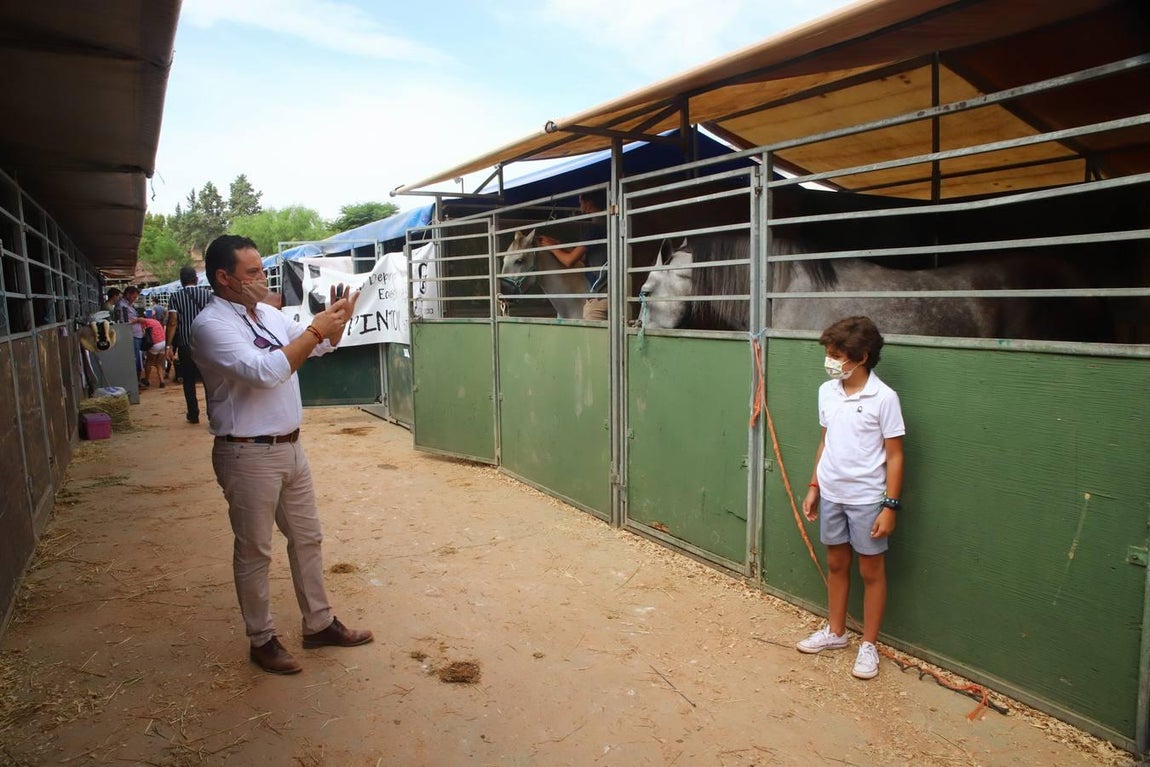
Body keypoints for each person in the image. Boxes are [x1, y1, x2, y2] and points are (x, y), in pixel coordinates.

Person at [192, 234, 372, 675]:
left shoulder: (268, 314)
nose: (262, 277)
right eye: (252, 272)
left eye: (261, 269)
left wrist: (336, 323)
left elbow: (320, 346)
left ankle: (319, 623)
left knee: (307, 538)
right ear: (224, 278)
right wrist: (316, 328)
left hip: (290, 447)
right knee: (255, 550)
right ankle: (262, 638)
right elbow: (269, 371)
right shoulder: (212, 325)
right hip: (247, 453)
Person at [796, 316, 905, 680]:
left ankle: (869, 645)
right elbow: (826, 441)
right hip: (832, 495)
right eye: (828, 353)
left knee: (870, 571)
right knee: (837, 565)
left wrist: (889, 506)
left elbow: (895, 456)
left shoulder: (884, 398)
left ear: (862, 357)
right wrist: (814, 486)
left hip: (866, 500)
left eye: (837, 354)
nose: (830, 361)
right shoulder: (827, 391)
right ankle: (836, 633)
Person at [537, 190, 608, 320]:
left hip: (601, 294)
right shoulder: (607, 224)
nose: (580, 207)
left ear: (588, 203)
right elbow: (584, 256)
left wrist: (551, 247)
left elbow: (570, 261)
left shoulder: (595, 228)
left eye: (580, 202)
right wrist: (559, 245)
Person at [167, 266, 213, 423]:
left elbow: (173, 322)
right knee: (209, 381)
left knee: (188, 380)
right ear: (196, 279)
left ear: (181, 281)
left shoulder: (175, 297)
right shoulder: (207, 295)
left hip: (185, 343)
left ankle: (193, 414)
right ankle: (212, 414)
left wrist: (168, 345)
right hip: (206, 344)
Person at [113, 285, 146, 386]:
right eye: (134, 297)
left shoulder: (129, 305)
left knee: (138, 357)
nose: (135, 299)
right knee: (135, 358)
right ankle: (135, 381)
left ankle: (137, 380)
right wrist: (137, 320)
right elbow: (123, 322)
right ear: (128, 294)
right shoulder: (122, 305)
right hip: (132, 335)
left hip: (137, 335)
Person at [139, 313, 167, 388]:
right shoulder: (156, 321)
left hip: (155, 344)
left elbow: (143, 333)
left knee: (149, 362)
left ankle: (146, 380)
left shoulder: (144, 322)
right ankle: (161, 381)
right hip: (163, 342)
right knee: (159, 363)